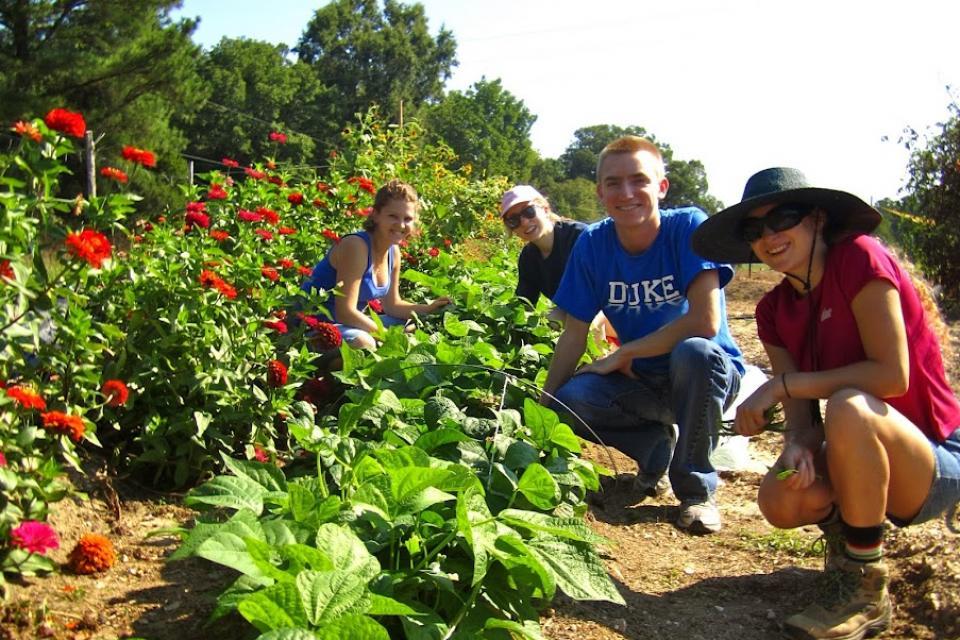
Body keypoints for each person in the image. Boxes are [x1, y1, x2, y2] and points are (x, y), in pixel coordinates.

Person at [691, 167, 960, 639]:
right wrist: (797, 442)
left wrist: (781, 386)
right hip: (854, 448)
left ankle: (864, 586)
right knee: (782, 496)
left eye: (783, 219)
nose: (770, 236)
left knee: (849, 406)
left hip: (931, 459)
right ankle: (848, 547)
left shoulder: (858, 258)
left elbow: (891, 377)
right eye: (756, 230)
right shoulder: (772, 310)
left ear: (817, 219)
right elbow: (802, 418)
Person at [541, 135, 745, 534]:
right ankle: (654, 447)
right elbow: (573, 334)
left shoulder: (688, 227)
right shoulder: (593, 245)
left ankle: (696, 491)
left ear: (661, 187)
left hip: (705, 378)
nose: (627, 192)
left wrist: (623, 352)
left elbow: (705, 323)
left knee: (695, 352)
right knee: (570, 399)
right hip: (641, 383)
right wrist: (544, 406)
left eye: (639, 180)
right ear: (600, 192)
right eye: (613, 183)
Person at [300, 179, 450, 349]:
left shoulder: (393, 252)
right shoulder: (356, 246)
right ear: (376, 214)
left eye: (407, 219)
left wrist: (429, 309)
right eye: (393, 216)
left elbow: (393, 305)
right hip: (312, 328)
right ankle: (325, 373)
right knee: (364, 342)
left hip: (346, 327)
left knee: (413, 323)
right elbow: (345, 312)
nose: (401, 225)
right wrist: (386, 337)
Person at [501, 184, 615, 342]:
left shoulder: (581, 237)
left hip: (615, 305)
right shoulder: (528, 258)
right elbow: (523, 306)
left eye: (529, 211)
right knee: (550, 321)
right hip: (575, 313)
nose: (524, 222)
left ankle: (603, 362)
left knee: (582, 321)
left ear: (545, 209)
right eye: (513, 220)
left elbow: (609, 287)